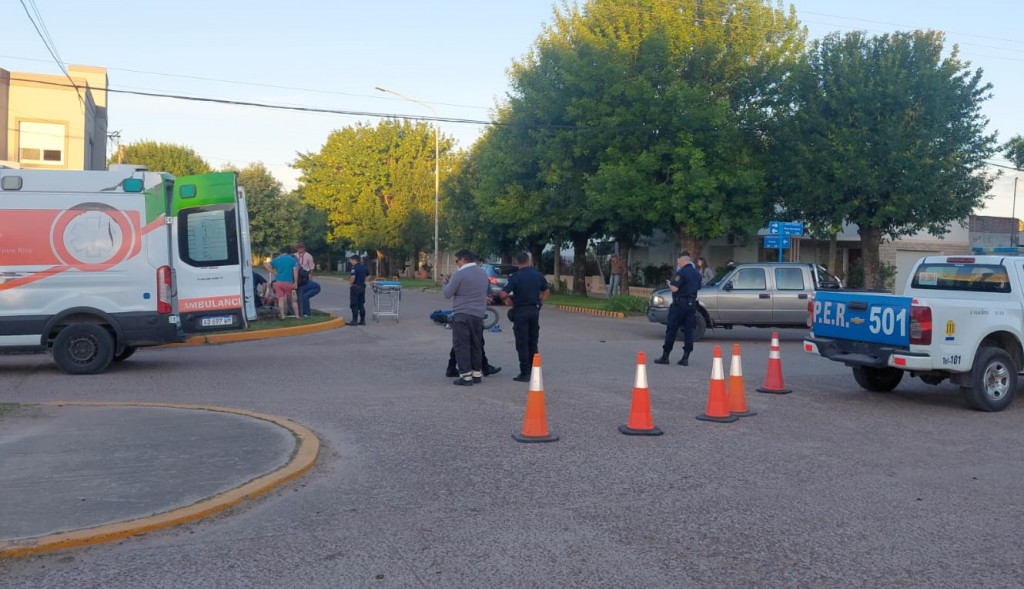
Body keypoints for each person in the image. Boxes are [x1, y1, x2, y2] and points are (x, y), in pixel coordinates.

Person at [500, 251, 550, 382]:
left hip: (520, 311)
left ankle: (525, 372)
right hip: (534, 311)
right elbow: (546, 291)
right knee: (533, 341)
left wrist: (509, 302)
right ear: (529, 261)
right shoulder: (538, 275)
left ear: (517, 263)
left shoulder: (514, 277)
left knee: (522, 343)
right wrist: (540, 303)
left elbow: (503, 294)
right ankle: (535, 370)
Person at [442, 249, 489, 386]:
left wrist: (445, 283)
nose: (457, 263)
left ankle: (465, 376)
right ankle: (476, 374)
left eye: (457, 260)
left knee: (462, 345)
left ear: (463, 259)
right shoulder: (483, 273)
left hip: (462, 314)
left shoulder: (459, 274)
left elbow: (447, 293)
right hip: (478, 315)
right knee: (476, 345)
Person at [655, 251, 702, 366]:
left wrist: (669, 284)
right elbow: (698, 287)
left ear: (682, 261)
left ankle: (665, 356)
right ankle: (685, 358)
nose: (678, 265)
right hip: (691, 304)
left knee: (671, 329)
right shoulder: (697, 273)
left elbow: (674, 288)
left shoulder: (681, 273)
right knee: (689, 331)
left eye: (679, 262)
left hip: (679, 305)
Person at [264, 247, 299, 320]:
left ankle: (282, 315)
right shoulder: (292, 260)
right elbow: (295, 272)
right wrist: (295, 282)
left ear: (280, 252)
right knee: (293, 300)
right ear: (289, 252)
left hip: (278, 282)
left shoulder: (277, 259)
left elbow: (266, 264)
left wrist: (273, 272)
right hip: (289, 282)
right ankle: (297, 315)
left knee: (281, 299)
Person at [293, 241, 320, 317]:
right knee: (301, 295)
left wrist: (310, 276)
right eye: (298, 248)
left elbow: (311, 267)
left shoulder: (308, 256)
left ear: (304, 248)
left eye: (301, 248)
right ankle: (303, 311)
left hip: (305, 275)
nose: (300, 249)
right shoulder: (295, 255)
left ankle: (305, 311)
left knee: (304, 294)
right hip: (297, 275)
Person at [348, 254, 368, 325]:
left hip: (355, 288)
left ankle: (354, 320)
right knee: (361, 304)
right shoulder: (364, 267)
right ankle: (362, 320)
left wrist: (350, 284)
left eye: (351, 260)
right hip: (362, 287)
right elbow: (368, 275)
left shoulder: (354, 268)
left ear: (354, 260)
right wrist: (364, 281)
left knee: (354, 304)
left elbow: (353, 277)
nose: (351, 262)